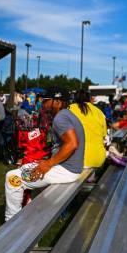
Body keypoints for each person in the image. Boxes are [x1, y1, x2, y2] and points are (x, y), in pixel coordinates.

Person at [5, 87, 86, 221]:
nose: (43, 103)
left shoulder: (60, 117)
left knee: (12, 177)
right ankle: (28, 219)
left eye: (46, 100)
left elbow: (72, 144)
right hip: (69, 168)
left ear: (57, 101)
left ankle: (11, 223)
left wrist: (49, 163)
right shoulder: (68, 115)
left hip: (66, 170)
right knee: (24, 169)